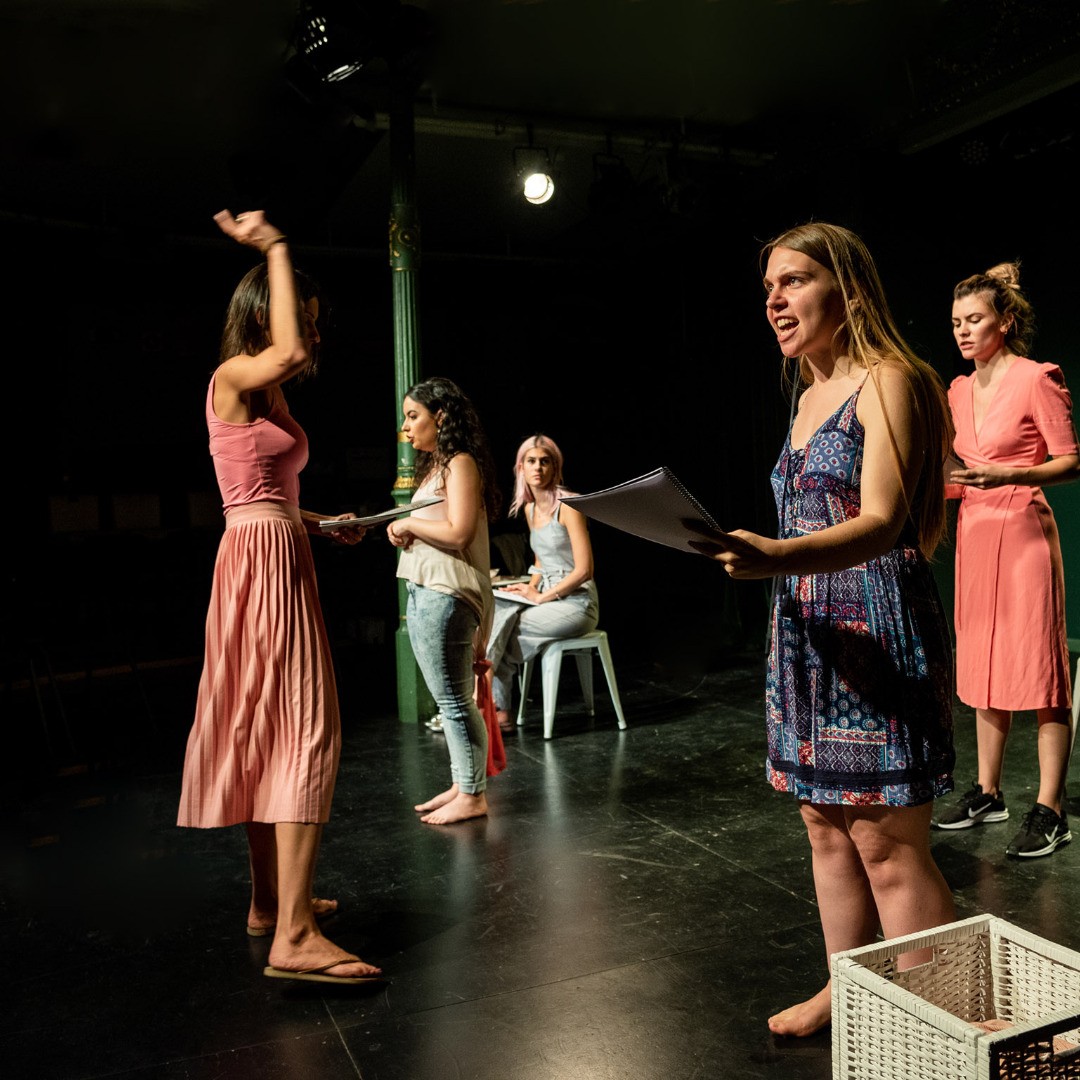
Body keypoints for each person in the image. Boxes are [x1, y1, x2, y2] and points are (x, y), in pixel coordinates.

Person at [691, 222, 957, 1037]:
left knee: (885, 840)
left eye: (795, 281)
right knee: (823, 823)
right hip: (806, 634)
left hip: (875, 628)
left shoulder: (890, 380)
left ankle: (941, 1014)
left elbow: (881, 523)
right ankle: (849, 985)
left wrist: (776, 555)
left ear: (848, 289)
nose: (775, 300)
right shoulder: (806, 394)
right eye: (769, 287)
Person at [177, 209, 382, 986]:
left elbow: (265, 496)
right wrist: (276, 246)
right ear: (263, 313)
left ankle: (270, 904)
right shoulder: (233, 378)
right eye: (306, 317)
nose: (314, 337)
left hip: (273, 553)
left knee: (272, 729)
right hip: (261, 567)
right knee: (304, 730)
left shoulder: (270, 402)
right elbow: (290, 351)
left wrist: (326, 524)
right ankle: (294, 937)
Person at [935, 262, 1079, 856]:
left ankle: (1051, 809)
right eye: (956, 322)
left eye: (974, 319)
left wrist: (1010, 474)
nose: (963, 331)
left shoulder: (1036, 378)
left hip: (1022, 532)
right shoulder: (958, 389)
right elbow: (955, 470)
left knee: (1041, 670)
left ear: (1006, 321)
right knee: (983, 663)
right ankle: (989, 793)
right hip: (975, 532)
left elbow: (1071, 460)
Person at [389, 376, 502, 824]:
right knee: (448, 700)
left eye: (413, 416)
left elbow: (459, 533)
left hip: (447, 592)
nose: (406, 427)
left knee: (455, 702)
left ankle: (473, 794)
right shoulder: (438, 467)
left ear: (440, 417)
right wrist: (408, 530)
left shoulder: (460, 463)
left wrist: (410, 525)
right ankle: (462, 783)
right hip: (426, 588)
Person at [485, 434, 599, 730]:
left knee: (501, 630)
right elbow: (540, 559)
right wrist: (530, 586)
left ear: (555, 467)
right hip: (546, 596)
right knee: (497, 612)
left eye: (545, 462)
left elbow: (585, 570)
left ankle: (496, 707)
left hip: (577, 602)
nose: (538, 468)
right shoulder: (530, 509)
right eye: (531, 461)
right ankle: (498, 709)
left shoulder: (569, 506)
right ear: (520, 468)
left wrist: (541, 597)